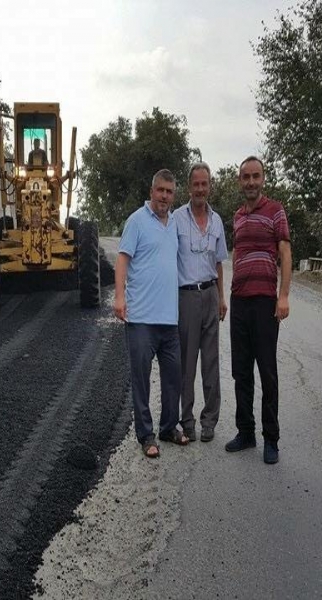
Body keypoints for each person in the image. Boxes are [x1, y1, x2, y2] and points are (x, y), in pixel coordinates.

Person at [114, 169, 189, 458]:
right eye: (160, 190)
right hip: (141, 319)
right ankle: (146, 435)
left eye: (169, 192)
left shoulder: (174, 224)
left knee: (173, 379)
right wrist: (119, 297)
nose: (164, 196)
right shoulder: (137, 221)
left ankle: (169, 427)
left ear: (173, 195)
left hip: (169, 320)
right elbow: (122, 260)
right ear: (151, 191)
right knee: (141, 380)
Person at [226, 156, 292, 464]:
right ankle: (246, 432)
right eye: (246, 177)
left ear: (263, 179)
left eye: (256, 176)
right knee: (241, 371)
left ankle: (271, 439)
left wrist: (284, 296)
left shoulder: (275, 210)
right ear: (240, 181)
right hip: (239, 301)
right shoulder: (238, 215)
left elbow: (285, 252)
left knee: (267, 372)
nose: (251, 181)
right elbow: (237, 251)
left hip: (265, 301)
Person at [176, 162, 228, 443]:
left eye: (204, 184)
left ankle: (210, 421)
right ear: (189, 187)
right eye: (195, 184)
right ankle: (187, 421)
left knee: (211, 361)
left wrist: (221, 297)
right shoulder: (176, 219)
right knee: (187, 363)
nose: (200, 189)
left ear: (210, 186)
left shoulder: (217, 221)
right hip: (186, 297)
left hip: (210, 294)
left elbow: (218, 263)